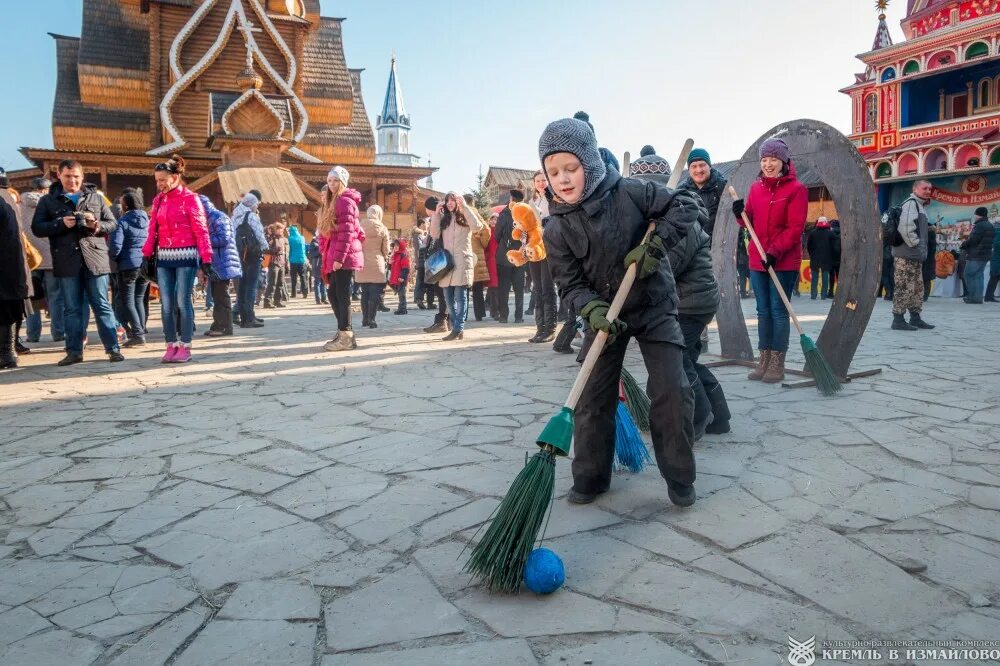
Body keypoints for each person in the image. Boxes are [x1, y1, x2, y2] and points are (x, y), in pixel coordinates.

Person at [540, 116, 700, 507]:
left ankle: (680, 478)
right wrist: (590, 308)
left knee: (671, 390)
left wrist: (655, 246)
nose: (563, 178)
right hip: (604, 316)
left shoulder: (629, 191)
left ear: (590, 164)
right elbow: (570, 283)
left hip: (653, 304)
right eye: (553, 171)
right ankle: (591, 478)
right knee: (592, 399)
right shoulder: (555, 229)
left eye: (571, 168)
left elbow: (685, 205)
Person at [31, 159, 124, 365]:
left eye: (76, 176)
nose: (72, 180)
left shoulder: (96, 198)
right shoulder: (48, 200)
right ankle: (74, 351)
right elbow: (37, 227)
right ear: (59, 175)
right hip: (66, 260)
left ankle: (113, 349)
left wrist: (96, 225)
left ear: (82, 177)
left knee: (101, 304)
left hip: (95, 259)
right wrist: (59, 223)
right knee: (72, 308)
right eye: (67, 176)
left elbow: (112, 224)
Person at [731, 137, 807, 383]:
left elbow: (795, 228)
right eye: (764, 159)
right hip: (757, 260)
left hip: (782, 261)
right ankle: (763, 359)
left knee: (777, 310)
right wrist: (740, 214)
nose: (768, 164)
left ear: (784, 162)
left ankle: (777, 362)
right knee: (762, 311)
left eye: (773, 159)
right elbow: (748, 223)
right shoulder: (756, 188)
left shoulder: (796, 190)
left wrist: (774, 252)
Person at [141, 156, 213, 362]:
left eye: (163, 179)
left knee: (182, 301)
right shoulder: (158, 201)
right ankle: (170, 344)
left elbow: (201, 230)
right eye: (157, 180)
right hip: (164, 256)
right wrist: (146, 255)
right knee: (166, 304)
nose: (159, 184)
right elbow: (152, 230)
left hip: (186, 255)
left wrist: (206, 259)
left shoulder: (191, 199)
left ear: (175, 177)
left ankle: (186, 346)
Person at [318, 166, 364, 351]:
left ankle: (345, 335)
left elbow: (347, 232)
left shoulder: (344, 202)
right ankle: (345, 332)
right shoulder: (334, 202)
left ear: (342, 182)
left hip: (343, 256)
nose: (331, 184)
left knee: (342, 295)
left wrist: (338, 258)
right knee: (333, 293)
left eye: (335, 180)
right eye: (329, 180)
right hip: (337, 253)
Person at [430, 191, 485, 341]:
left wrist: (466, 207)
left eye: (453, 200)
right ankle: (457, 327)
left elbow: (477, 227)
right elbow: (434, 234)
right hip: (446, 263)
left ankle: (458, 328)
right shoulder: (444, 219)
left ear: (458, 202)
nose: (450, 203)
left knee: (461, 297)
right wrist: (436, 214)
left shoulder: (465, 216)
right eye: (447, 200)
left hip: (462, 260)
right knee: (448, 299)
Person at [21, 177, 65, 343]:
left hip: (30, 259)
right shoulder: (51, 202)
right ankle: (58, 332)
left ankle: (32, 335)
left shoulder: (21, 204)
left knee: (32, 298)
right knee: (55, 297)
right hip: (50, 257)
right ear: (45, 190)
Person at [890, 180, 935, 331]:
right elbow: (906, 228)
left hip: (915, 256)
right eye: (925, 188)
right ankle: (898, 319)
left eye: (930, 188)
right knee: (904, 287)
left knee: (917, 288)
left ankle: (915, 318)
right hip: (906, 255)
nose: (928, 191)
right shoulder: (911, 204)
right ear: (915, 189)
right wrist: (916, 245)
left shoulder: (920, 206)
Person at [108, 188, 149, 346]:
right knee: (139, 299)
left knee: (128, 301)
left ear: (125, 206)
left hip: (128, 265)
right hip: (144, 265)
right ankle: (141, 330)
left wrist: (115, 258)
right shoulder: (147, 221)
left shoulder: (122, 222)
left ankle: (138, 334)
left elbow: (115, 247)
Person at [201, 195, 241, 336]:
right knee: (217, 296)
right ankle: (218, 324)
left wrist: (204, 239)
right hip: (217, 262)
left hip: (223, 261)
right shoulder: (209, 218)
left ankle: (225, 327)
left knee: (222, 296)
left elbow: (224, 238)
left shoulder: (218, 217)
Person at [527, 171, 557, 342]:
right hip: (534, 248)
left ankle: (550, 329)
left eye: (543, 180)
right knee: (537, 289)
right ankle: (540, 329)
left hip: (549, 248)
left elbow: (558, 218)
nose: (540, 183)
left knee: (547, 288)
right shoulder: (533, 201)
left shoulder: (553, 199)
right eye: (537, 181)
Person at [0, 195, 30, 369]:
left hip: (7, 268)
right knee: (7, 309)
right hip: (11, 269)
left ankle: (7, 353)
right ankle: (8, 354)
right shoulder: (6, 199)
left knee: (6, 310)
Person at [233, 192, 268, 328]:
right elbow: (259, 234)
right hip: (253, 254)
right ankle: (249, 317)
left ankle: (243, 317)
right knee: (251, 286)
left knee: (242, 286)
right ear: (252, 204)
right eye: (256, 204)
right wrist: (265, 247)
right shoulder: (252, 216)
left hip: (240, 254)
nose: (257, 206)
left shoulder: (235, 215)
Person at [494, 189, 527, 324]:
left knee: (504, 288)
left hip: (504, 255)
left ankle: (503, 316)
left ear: (511, 200)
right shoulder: (525, 213)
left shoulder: (504, 214)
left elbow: (496, 235)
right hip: (520, 255)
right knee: (519, 289)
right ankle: (518, 317)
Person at [678, 148, 726, 237]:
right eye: (694, 166)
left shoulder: (724, 187)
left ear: (709, 166)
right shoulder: (681, 192)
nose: (699, 170)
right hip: (693, 247)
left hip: (719, 245)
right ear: (689, 169)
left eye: (702, 165)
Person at [357, 204, 390, 327]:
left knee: (364, 292)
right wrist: (385, 257)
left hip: (362, 262)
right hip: (377, 262)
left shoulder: (360, 227)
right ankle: (372, 319)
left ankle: (364, 319)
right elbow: (386, 249)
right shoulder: (383, 228)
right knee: (375, 293)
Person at [422, 197, 451, 333]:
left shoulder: (439, 218)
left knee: (442, 293)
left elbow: (435, 237)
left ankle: (442, 321)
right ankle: (447, 320)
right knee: (444, 293)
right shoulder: (443, 217)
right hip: (444, 260)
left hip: (441, 261)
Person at [466, 194, 493, 322]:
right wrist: (483, 243)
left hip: (464, 252)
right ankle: (479, 314)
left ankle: (463, 315)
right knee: (477, 287)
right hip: (476, 253)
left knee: (463, 285)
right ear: (473, 202)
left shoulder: (461, 212)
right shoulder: (475, 213)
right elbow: (486, 229)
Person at [960, 206, 995, 304]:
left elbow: (973, 240)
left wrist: (963, 244)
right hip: (985, 255)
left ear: (977, 214)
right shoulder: (990, 225)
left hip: (976, 255)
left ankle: (973, 298)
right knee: (979, 276)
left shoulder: (979, 225)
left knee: (969, 275)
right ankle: (978, 298)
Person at [806, 217, 835, 300]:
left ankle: (813, 295)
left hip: (814, 258)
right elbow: (833, 247)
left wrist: (812, 254)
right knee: (825, 278)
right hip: (826, 259)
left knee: (814, 278)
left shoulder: (812, 233)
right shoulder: (830, 233)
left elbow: (808, 246)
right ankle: (823, 295)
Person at [263, 221, 289, 308]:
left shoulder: (283, 239)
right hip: (274, 262)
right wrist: (276, 249)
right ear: (276, 229)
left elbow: (286, 252)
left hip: (282, 262)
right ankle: (267, 301)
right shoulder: (271, 238)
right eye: (280, 229)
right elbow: (266, 250)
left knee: (280, 283)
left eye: (282, 229)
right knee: (272, 283)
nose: (282, 231)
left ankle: (278, 301)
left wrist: (286, 263)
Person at [410, 218, 430, 309]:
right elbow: (419, 248)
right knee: (421, 280)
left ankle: (419, 298)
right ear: (421, 224)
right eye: (425, 223)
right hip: (422, 261)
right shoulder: (417, 234)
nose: (427, 225)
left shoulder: (420, 234)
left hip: (422, 260)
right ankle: (419, 299)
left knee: (422, 280)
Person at [389, 238, 411, 314]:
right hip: (397, 278)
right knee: (400, 294)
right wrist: (390, 263)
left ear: (401, 246)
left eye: (397, 245)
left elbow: (405, 267)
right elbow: (392, 267)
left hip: (401, 278)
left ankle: (403, 309)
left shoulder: (403, 255)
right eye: (394, 245)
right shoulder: (395, 255)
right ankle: (401, 308)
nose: (395, 247)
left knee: (402, 295)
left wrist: (402, 277)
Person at [485, 211, 500, 320]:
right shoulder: (487, 231)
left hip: (499, 261)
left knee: (498, 287)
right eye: (492, 219)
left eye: (496, 219)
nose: (494, 221)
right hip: (490, 261)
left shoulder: (500, 231)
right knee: (493, 287)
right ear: (489, 220)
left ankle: (494, 309)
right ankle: (494, 311)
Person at [288, 224, 308, 298]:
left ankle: (293, 294)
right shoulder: (302, 237)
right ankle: (305, 293)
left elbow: (289, 249)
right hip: (302, 259)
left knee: (294, 278)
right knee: (303, 277)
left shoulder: (290, 239)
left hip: (293, 260)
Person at [307, 235, 327, 304]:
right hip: (317, 264)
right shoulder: (314, 243)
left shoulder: (325, 240)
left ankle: (324, 298)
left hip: (323, 264)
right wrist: (320, 249)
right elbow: (312, 254)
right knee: (317, 282)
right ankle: (318, 299)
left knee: (324, 282)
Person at [986, 215, 1000, 302]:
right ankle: (988, 296)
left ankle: (989, 296)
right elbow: (997, 245)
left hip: (995, 258)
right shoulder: (998, 231)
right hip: (997, 258)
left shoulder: (994, 231)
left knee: (994, 278)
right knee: (994, 278)